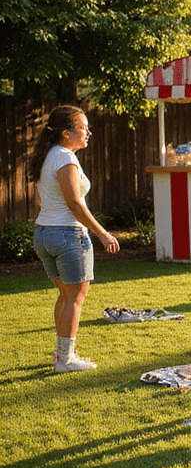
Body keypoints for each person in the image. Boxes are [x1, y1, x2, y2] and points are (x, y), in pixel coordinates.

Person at [29, 106, 120, 372]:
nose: (88, 132)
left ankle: (62, 355)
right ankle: (66, 360)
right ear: (67, 132)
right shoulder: (65, 159)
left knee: (66, 295)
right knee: (74, 298)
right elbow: (75, 204)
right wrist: (102, 233)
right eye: (83, 127)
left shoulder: (51, 156)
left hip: (45, 233)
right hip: (67, 235)